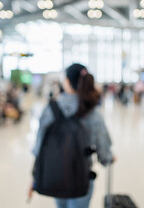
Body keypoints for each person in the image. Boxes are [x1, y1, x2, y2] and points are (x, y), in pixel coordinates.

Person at [30, 63, 114, 208]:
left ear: (67, 82)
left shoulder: (51, 109)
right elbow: (104, 151)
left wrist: (34, 177)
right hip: (81, 178)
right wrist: (108, 158)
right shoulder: (92, 112)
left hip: (56, 175)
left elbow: (39, 147)